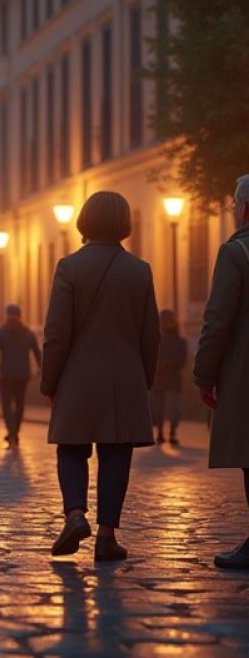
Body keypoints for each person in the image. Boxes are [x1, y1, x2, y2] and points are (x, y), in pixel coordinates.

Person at [42, 191, 160, 563]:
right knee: (117, 454)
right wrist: (144, 378)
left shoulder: (69, 267)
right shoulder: (140, 270)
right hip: (125, 376)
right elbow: (151, 334)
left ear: (85, 220)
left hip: (77, 377)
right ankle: (107, 536)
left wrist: (49, 381)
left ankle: (75, 514)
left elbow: (56, 332)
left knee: (71, 448)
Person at [194, 173, 249, 570]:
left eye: (233, 205)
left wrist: (204, 375)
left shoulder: (236, 253)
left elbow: (217, 320)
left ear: (244, 209)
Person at [0, 304, 42, 448]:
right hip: (23, 375)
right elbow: (38, 353)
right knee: (20, 405)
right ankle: (14, 434)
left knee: (6, 406)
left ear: (7, 315)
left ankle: (12, 434)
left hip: (5, 375)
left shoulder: (0, 332)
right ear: (20, 316)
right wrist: (40, 369)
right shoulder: (28, 333)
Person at [152, 309, 187, 446]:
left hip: (172, 381)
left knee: (174, 410)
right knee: (158, 410)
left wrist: (168, 363)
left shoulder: (180, 341)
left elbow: (182, 361)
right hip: (158, 380)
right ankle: (160, 433)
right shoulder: (156, 340)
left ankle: (172, 432)